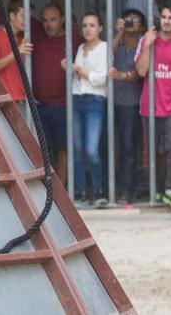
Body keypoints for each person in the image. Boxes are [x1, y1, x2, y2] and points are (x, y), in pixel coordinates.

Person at [135, 0, 171, 211]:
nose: (166, 21)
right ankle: (155, 189)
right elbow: (141, 71)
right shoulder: (147, 40)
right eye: (164, 17)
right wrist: (148, 45)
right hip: (149, 106)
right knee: (152, 151)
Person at [31, 4, 75, 183]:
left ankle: (61, 191)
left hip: (63, 105)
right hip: (39, 105)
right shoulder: (38, 35)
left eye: (53, 20)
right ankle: (47, 188)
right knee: (42, 149)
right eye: (46, 20)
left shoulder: (73, 39)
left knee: (62, 148)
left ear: (63, 20)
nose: (48, 25)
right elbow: (15, 7)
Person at [71, 12, 108, 207]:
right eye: (85, 25)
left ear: (100, 28)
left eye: (92, 25)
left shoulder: (104, 48)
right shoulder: (80, 47)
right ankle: (80, 191)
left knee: (91, 149)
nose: (88, 29)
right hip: (77, 100)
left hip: (95, 101)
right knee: (77, 149)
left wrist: (79, 70)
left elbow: (100, 78)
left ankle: (99, 188)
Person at [109, 9, 146, 205]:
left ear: (142, 26)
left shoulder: (143, 46)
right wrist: (119, 32)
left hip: (131, 104)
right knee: (110, 147)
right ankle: (109, 188)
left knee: (128, 148)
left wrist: (123, 76)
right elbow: (108, 55)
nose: (130, 23)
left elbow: (140, 71)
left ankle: (127, 190)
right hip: (111, 101)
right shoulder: (119, 44)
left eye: (135, 21)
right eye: (127, 20)